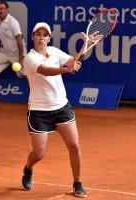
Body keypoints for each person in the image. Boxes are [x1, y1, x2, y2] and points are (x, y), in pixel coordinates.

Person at [21, 22, 90, 198]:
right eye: (38, 34)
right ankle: (28, 168)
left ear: (49, 38)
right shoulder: (29, 58)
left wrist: (86, 44)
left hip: (61, 108)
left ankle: (77, 183)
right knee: (39, 153)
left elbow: (73, 61)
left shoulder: (55, 52)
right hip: (39, 111)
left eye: (45, 35)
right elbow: (45, 70)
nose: (41, 37)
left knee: (74, 145)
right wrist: (67, 70)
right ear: (33, 37)